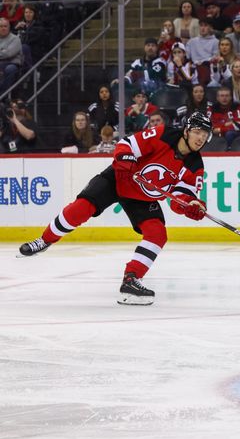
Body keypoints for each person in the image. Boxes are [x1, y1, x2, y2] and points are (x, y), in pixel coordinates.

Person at [18, 112, 212, 306]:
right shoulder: (163, 134)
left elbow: (179, 198)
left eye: (205, 134)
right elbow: (126, 145)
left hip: (142, 198)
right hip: (119, 178)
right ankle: (44, 240)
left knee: (158, 234)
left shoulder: (195, 166)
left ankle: (131, 280)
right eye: (198, 132)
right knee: (80, 209)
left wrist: (190, 206)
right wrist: (125, 159)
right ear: (186, 130)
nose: (201, 138)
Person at [0, 17, 23, 97]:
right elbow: (4, 53)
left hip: (11, 63)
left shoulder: (15, 39)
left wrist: (3, 52)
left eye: (5, 26)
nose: (3, 28)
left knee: (10, 69)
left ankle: (3, 95)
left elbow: (8, 54)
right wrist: (3, 51)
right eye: (1, 26)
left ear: (9, 28)